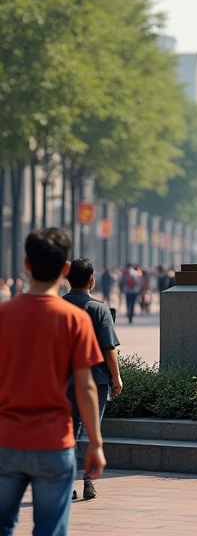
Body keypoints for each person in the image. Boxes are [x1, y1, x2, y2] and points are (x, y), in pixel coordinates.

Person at [0, 228, 106, 536]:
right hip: (53, 443)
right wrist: (96, 444)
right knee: (49, 530)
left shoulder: (4, 315)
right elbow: (86, 387)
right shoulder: (76, 320)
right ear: (64, 270)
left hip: (7, 440)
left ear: (26, 265)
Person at [63, 258, 123, 502]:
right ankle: (89, 480)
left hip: (62, 380)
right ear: (92, 280)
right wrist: (117, 377)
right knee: (90, 429)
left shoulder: (56, 307)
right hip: (94, 379)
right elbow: (109, 348)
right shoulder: (99, 309)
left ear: (68, 280)